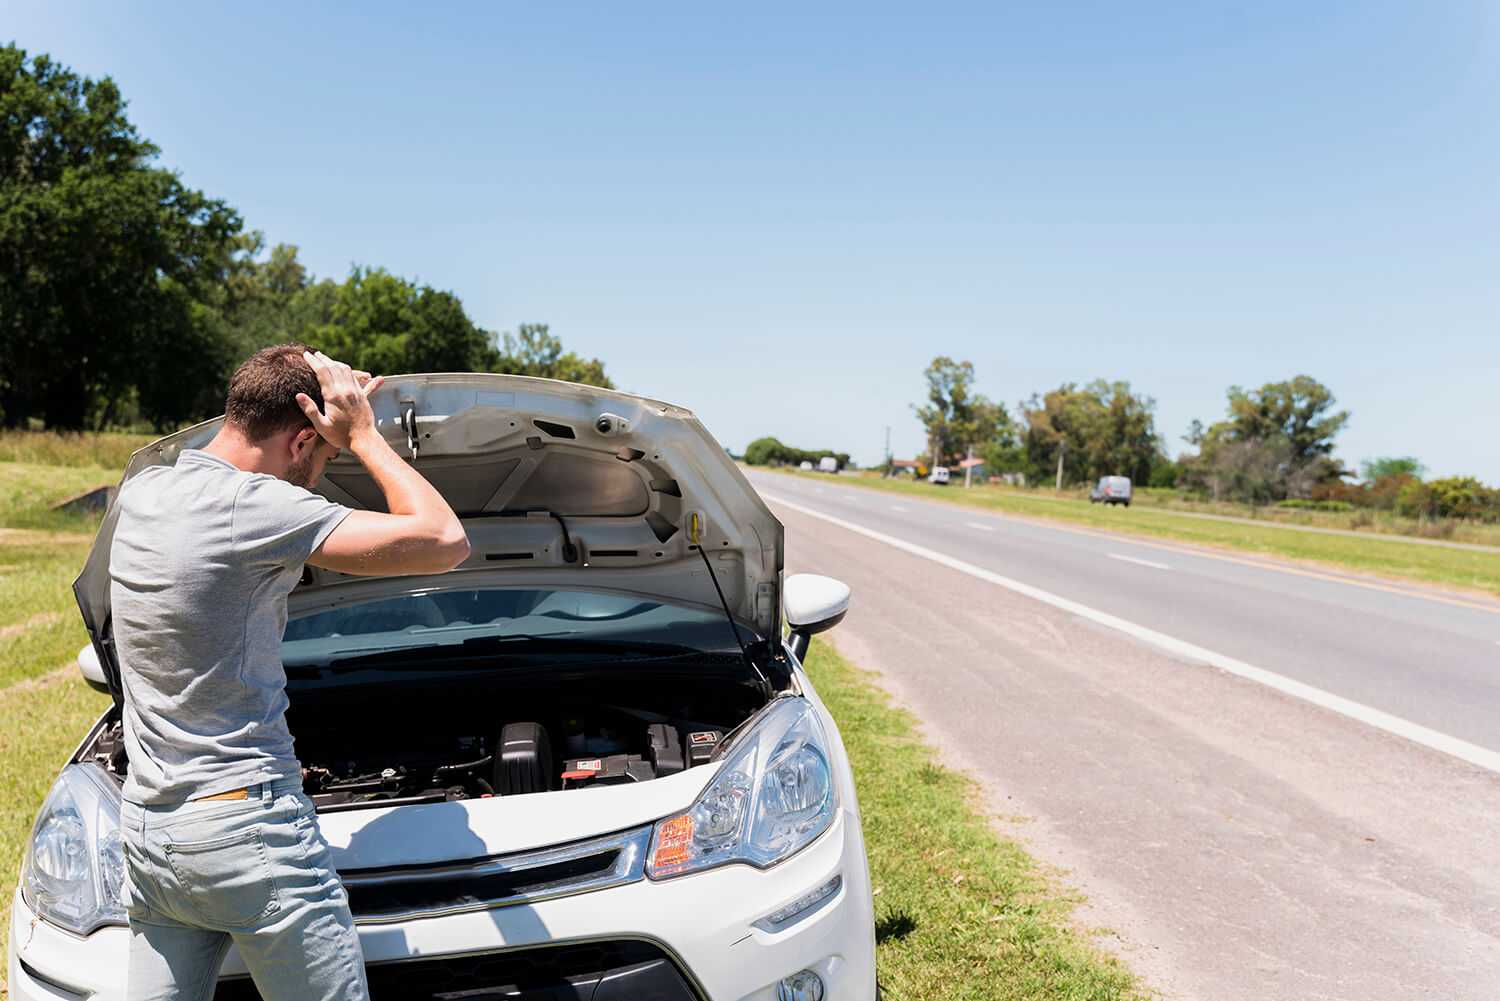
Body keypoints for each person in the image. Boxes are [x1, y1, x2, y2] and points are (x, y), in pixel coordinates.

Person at [110, 345, 469, 1001]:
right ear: (303, 435)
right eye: (323, 456)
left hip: (150, 833)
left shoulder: (143, 491)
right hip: (249, 835)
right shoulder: (260, 508)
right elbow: (446, 539)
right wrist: (362, 434)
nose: (320, 469)